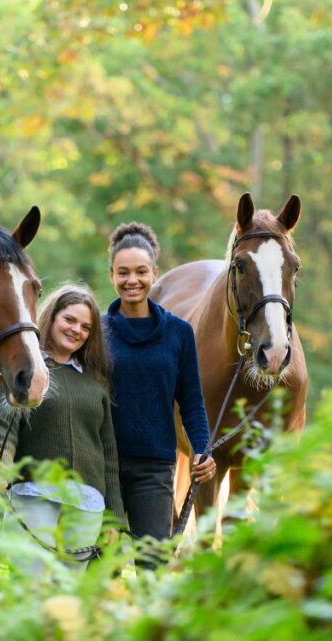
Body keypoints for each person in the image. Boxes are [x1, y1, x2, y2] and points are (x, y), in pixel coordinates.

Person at [104, 223, 216, 565]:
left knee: (153, 566)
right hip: (102, 468)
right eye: (123, 272)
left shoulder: (179, 334)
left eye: (140, 271)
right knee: (101, 570)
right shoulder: (98, 331)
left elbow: (193, 403)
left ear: (155, 273)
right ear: (112, 276)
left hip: (154, 469)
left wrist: (202, 450)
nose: (132, 280)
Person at [0, 283, 125, 573]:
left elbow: (109, 455)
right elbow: (3, 428)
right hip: (34, 495)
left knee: (69, 597)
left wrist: (114, 518)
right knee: (31, 587)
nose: (76, 330)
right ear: (51, 317)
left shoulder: (96, 382)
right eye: (69, 320)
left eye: (85, 326)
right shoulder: (23, 370)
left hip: (87, 505)